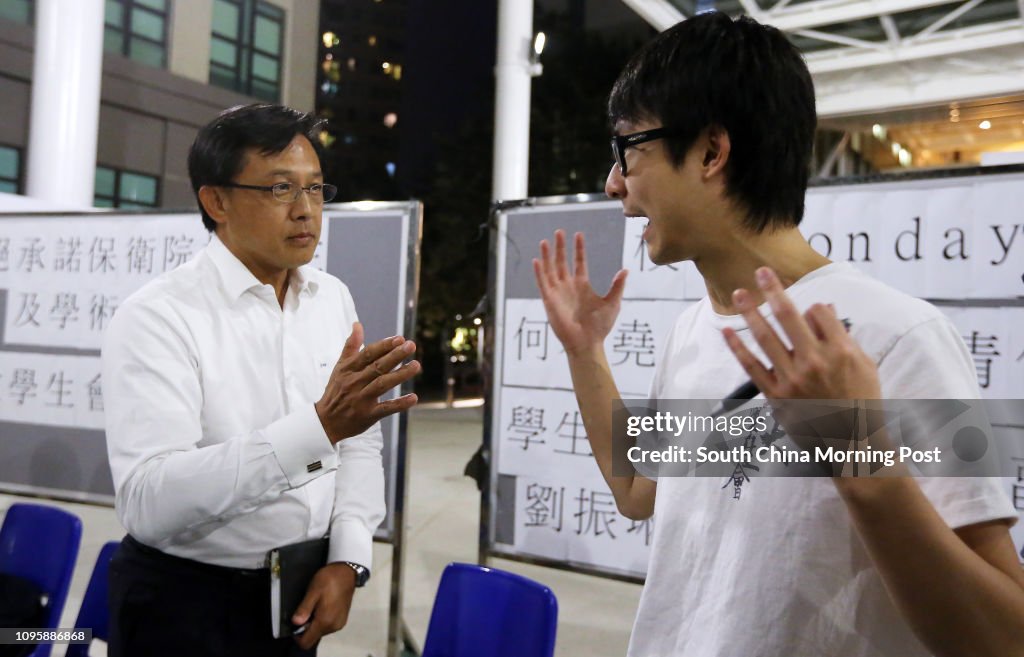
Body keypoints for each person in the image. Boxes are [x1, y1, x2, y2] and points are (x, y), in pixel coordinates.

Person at [533, 13, 1023, 657]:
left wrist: (862, 460)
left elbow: (1003, 637)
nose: (614, 183)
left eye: (630, 148)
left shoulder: (897, 337)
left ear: (711, 151)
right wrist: (584, 353)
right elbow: (636, 491)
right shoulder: (692, 330)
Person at [102, 103, 419, 657]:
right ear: (216, 200)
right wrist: (316, 429)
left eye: (317, 189)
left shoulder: (331, 298)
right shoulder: (158, 316)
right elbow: (147, 501)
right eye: (280, 190)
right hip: (184, 604)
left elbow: (359, 440)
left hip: (296, 596)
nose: (306, 211)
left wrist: (347, 556)